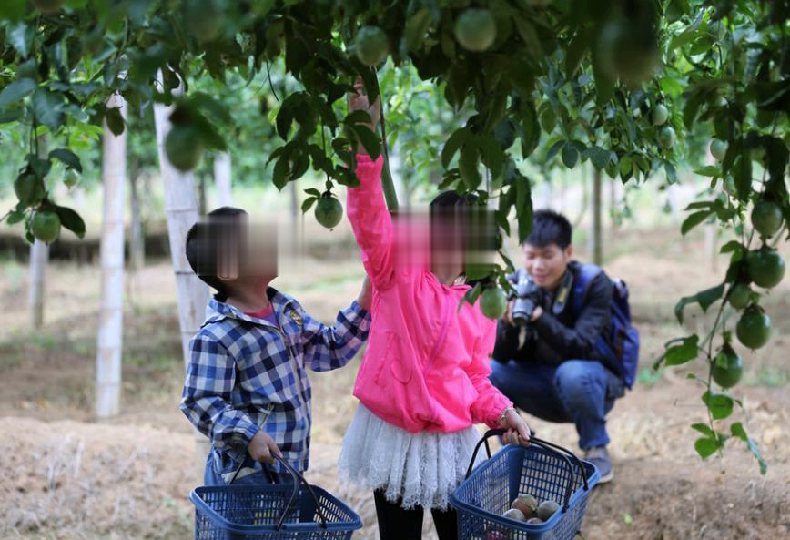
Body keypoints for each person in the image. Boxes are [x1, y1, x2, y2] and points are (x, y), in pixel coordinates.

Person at [337, 81, 532, 540]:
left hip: (452, 440)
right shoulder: (396, 270)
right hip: (396, 437)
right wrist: (365, 134)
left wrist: (504, 412)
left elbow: (474, 377)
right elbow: (367, 210)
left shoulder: (480, 302)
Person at [179, 207, 372, 485]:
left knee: (282, 528)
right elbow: (199, 401)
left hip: (288, 465)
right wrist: (249, 436)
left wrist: (368, 295)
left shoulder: (285, 310)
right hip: (247, 474)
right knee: (252, 530)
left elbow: (331, 349)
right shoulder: (218, 335)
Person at [489, 209, 625, 484]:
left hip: (590, 384)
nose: (538, 265)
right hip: (540, 383)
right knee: (488, 372)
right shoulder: (516, 285)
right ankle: (521, 446)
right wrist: (507, 324)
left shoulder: (594, 283)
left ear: (568, 252)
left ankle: (596, 448)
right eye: (530, 256)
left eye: (547, 256)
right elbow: (502, 357)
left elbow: (582, 346)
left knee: (573, 372)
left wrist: (539, 318)